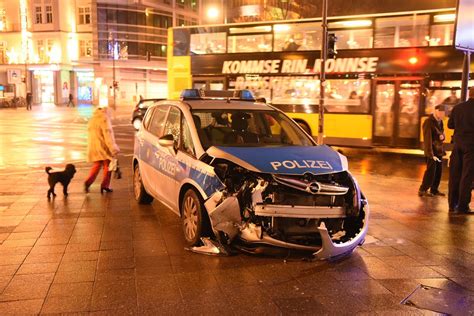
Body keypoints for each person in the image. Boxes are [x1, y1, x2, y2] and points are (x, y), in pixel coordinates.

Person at [448, 87, 474, 214]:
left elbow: (450, 125)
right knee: (467, 176)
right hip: (471, 147)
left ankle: (452, 204)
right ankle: (463, 206)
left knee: (455, 175)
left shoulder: (458, 107)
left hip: (457, 145)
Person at [84, 106, 120, 193]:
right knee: (107, 166)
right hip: (103, 147)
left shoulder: (92, 119)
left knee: (96, 165)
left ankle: (88, 182)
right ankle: (105, 185)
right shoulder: (104, 119)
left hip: (94, 147)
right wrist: (113, 148)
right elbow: (108, 136)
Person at [418, 104, 446, 197]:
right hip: (432, 151)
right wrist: (430, 154)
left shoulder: (440, 122)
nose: (442, 114)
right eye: (441, 112)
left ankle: (434, 189)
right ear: (436, 111)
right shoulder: (428, 122)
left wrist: (443, 137)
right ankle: (423, 189)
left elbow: (441, 134)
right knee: (431, 171)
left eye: (443, 113)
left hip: (439, 150)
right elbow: (427, 139)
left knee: (438, 170)